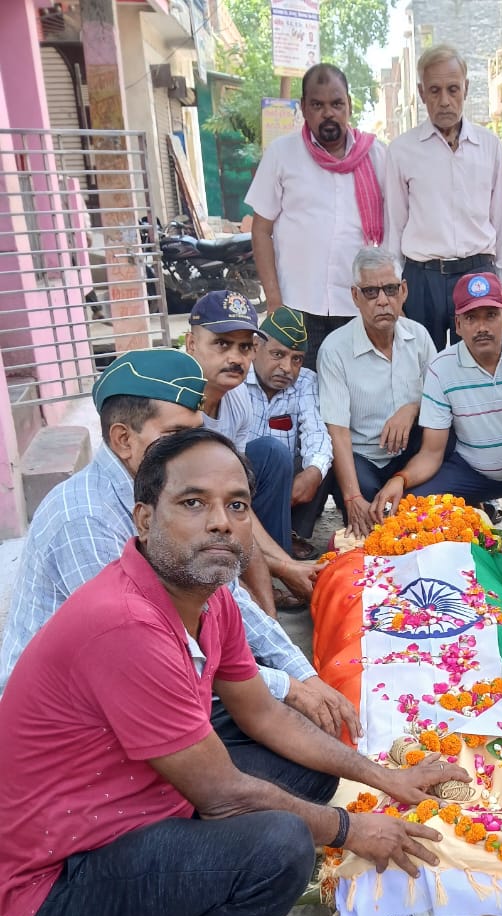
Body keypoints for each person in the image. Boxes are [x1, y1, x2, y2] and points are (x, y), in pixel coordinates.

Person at [0, 429, 467, 916]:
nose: (221, 523)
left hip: (133, 808)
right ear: (144, 518)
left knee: (304, 761)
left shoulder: (210, 598)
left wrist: (384, 777)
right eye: (193, 503)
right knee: (281, 843)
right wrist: (353, 830)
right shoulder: (125, 624)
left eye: (238, 505)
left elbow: (265, 717)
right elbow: (223, 796)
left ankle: (170, 902)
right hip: (56, 877)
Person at [0, 349, 358, 749]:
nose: (190, 453)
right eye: (174, 438)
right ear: (123, 440)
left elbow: (228, 598)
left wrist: (301, 674)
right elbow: (149, 652)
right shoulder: (84, 519)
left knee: (306, 748)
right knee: (286, 758)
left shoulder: (167, 491)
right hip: (73, 726)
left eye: (195, 434)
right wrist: (286, 688)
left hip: (151, 681)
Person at [247, 63, 386, 373]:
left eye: (336, 104)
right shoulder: (282, 154)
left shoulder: (377, 156)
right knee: (300, 396)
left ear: (349, 105)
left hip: (357, 306)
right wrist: (274, 301)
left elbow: (393, 232)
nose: (328, 113)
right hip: (298, 306)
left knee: (356, 398)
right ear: (303, 108)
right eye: (318, 105)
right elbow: (261, 231)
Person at [185, 290, 317, 610]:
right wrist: (285, 567)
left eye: (244, 346)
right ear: (191, 345)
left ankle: (269, 586)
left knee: (271, 454)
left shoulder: (237, 396)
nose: (235, 357)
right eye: (222, 344)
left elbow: (236, 497)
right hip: (177, 517)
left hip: (213, 500)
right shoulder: (179, 405)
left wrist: (284, 564)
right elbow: (202, 511)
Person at [369, 273, 502, 517]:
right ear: (457, 324)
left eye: (491, 315)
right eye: (471, 318)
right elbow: (431, 453)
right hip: (472, 471)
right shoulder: (441, 368)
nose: (482, 328)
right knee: (411, 508)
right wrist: (400, 479)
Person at [383, 45, 502, 349]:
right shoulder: (402, 151)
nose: (444, 101)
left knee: (477, 365)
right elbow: (395, 226)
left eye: (453, 89)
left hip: (477, 273)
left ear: (466, 89)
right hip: (420, 281)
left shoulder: (489, 146)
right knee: (420, 369)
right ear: (421, 93)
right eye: (434, 90)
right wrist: (394, 290)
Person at [318, 247, 437, 538]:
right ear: (356, 297)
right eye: (371, 292)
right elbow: (338, 431)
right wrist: (352, 497)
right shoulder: (335, 349)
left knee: (424, 512)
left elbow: (441, 397)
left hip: (409, 457)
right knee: (374, 515)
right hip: (362, 459)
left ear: (404, 291)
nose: (383, 300)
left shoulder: (419, 337)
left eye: (390, 289)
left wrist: (411, 409)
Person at [245, 306, 334, 558]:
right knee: (274, 453)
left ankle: (288, 532)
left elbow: (316, 434)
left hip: (284, 484)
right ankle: (270, 545)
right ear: (255, 347)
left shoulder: (305, 381)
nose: (287, 367)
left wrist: (314, 473)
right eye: (278, 354)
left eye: (296, 359)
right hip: (239, 475)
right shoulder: (238, 378)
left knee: (323, 459)